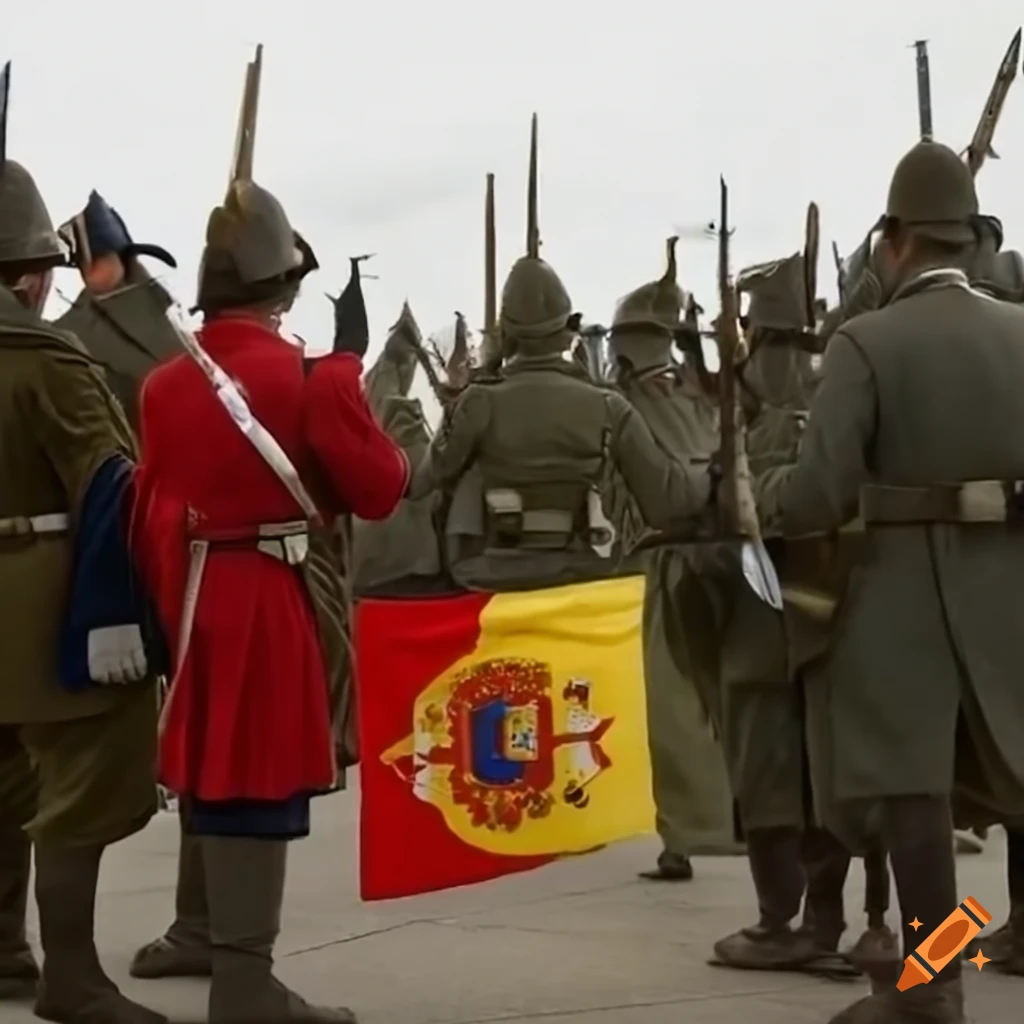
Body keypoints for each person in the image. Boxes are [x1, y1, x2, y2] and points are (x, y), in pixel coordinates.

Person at [755, 139, 1024, 1024]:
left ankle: (934, 984)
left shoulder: (864, 341)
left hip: (902, 604)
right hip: (1014, 595)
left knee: (916, 798)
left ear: (895, 241)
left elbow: (818, 495)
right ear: (972, 239)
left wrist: (761, 494)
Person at [131, 176, 409, 1023]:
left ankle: (213, 946)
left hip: (195, 592)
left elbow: (153, 510)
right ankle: (246, 988)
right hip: (270, 593)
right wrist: (350, 379)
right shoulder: (312, 376)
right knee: (256, 776)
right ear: (284, 286)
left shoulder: (163, 386)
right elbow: (381, 488)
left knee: (217, 766)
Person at [0, 143, 165, 1024]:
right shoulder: (49, 358)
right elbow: (110, 487)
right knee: (75, 781)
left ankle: (1, 951)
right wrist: (115, 614)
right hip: (40, 601)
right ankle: (71, 976)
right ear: (30, 276)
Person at [405, 250, 713, 581]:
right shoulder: (609, 406)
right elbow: (667, 505)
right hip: (581, 575)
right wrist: (719, 470)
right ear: (566, 328)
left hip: (494, 576)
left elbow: (422, 483)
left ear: (506, 331)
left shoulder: (476, 403)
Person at [606, 237, 738, 882]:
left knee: (675, 709)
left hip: (670, 564)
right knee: (718, 700)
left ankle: (690, 834)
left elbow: (666, 490)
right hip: (722, 559)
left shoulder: (640, 398)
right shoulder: (702, 388)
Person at [54, 190, 182, 425]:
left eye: (99, 258)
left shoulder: (162, 307)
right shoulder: (70, 334)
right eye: (84, 262)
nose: (88, 269)